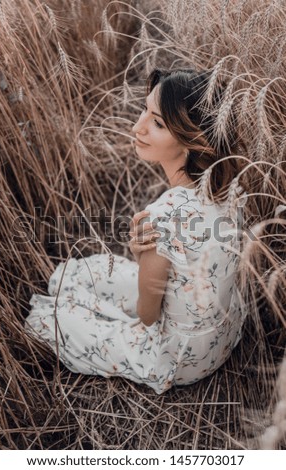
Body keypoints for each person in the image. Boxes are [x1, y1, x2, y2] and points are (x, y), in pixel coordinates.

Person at [25, 67, 247, 394]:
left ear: (191, 140)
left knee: (47, 321)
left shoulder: (162, 217)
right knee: (85, 273)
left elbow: (147, 315)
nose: (137, 126)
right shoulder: (232, 189)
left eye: (157, 123)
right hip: (224, 333)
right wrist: (149, 258)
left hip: (179, 357)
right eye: (145, 109)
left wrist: (143, 255)